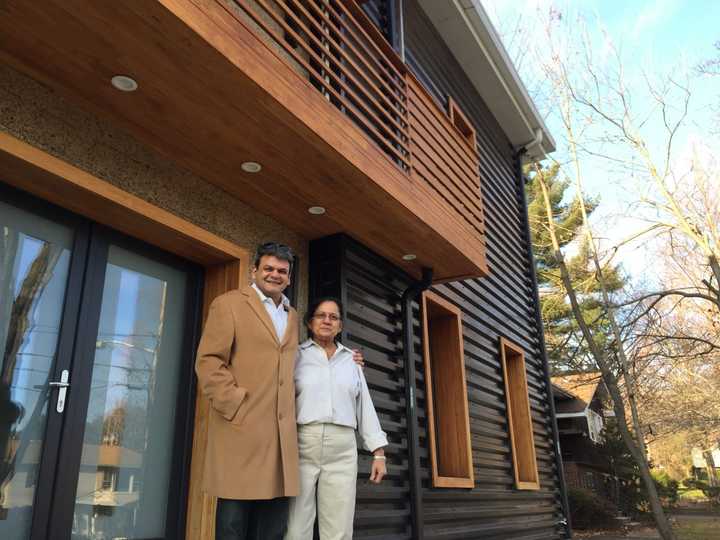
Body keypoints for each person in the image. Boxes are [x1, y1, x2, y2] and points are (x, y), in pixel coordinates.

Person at [195, 242, 363, 540]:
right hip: (241, 426)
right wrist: (235, 404)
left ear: (289, 277)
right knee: (234, 517)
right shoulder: (229, 304)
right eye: (269, 268)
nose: (275, 275)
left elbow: (302, 360)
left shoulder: (293, 315)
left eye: (282, 271)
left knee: (273, 522)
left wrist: (345, 357)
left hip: (281, 434)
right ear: (255, 270)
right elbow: (209, 362)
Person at [285, 297, 388, 540]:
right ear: (310, 323)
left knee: (339, 526)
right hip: (302, 442)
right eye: (321, 315)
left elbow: (365, 406)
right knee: (296, 525)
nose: (327, 321)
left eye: (333, 317)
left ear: (340, 326)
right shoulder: (295, 357)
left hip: (343, 446)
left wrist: (379, 452)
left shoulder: (351, 361)